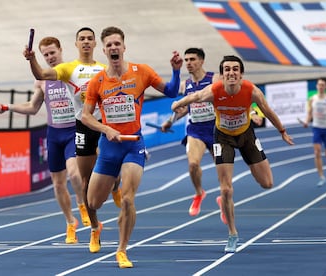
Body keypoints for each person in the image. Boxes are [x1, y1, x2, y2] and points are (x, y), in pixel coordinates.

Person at [81, 26, 183, 268]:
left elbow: (170, 92)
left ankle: (122, 250)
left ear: (124, 47)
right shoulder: (97, 81)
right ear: (104, 50)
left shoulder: (142, 72)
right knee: (92, 202)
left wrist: (176, 71)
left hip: (134, 145)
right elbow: (85, 116)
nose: (114, 48)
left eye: (118, 43)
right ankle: (96, 228)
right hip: (108, 147)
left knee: (128, 200)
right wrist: (107, 129)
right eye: (109, 45)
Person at [171, 55, 294, 254]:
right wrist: (176, 104)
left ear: (241, 74)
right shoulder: (215, 90)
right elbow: (194, 97)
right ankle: (232, 233)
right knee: (226, 189)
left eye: (235, 69)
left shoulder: (251, 90)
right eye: (227, 69)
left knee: (267, 183)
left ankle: (231, 208)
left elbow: (268, 111)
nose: (231, 73)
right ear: (222, 74)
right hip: (223, 137)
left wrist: (282, 131)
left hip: (246, 136)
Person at [23, 27, 122, 243]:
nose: (86, 42)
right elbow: (40, 76)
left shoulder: (104, 69)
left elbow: (119, 96)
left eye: (89, 39)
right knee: (78, 180)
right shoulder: (67, 69)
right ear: (76, 44)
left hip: (101, 123)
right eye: (82, 39)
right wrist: (32, 60)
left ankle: (115, 184)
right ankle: (79, 222)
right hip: (78, 127)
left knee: (102, 169)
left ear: (96, 44)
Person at [0, 36, 89, 244]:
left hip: (73, 131)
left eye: (52, 53)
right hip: (54, 135)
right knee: (58, 184)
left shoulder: (74, 72)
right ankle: (70, 223)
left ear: (61, 50)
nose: (50, 57)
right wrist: (7, 107)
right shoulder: (42, 80)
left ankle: (82, 204)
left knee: (74, 172)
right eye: (45, 55)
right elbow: (32, 107)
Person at [161, 48, 262, 218]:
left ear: (201, 61)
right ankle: (199, 193)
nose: (188, 63)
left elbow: (236, 94)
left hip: (217, 130)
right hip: (196, 130)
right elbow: (185, 108)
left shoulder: (214, 78)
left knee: (224, 176)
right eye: (186, 60)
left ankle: (224, 200)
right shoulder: (185, 85)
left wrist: (252, 113)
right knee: (193, 165)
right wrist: (170, 121)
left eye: (192, 59)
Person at [302, 78, 326, 186]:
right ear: (317, 86)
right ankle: (321, 176)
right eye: (319, 84)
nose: (321, 86)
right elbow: (309, 113)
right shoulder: (312, 99)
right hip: (317, 128)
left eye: (323, 85)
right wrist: (306, 122)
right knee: (317, 152)